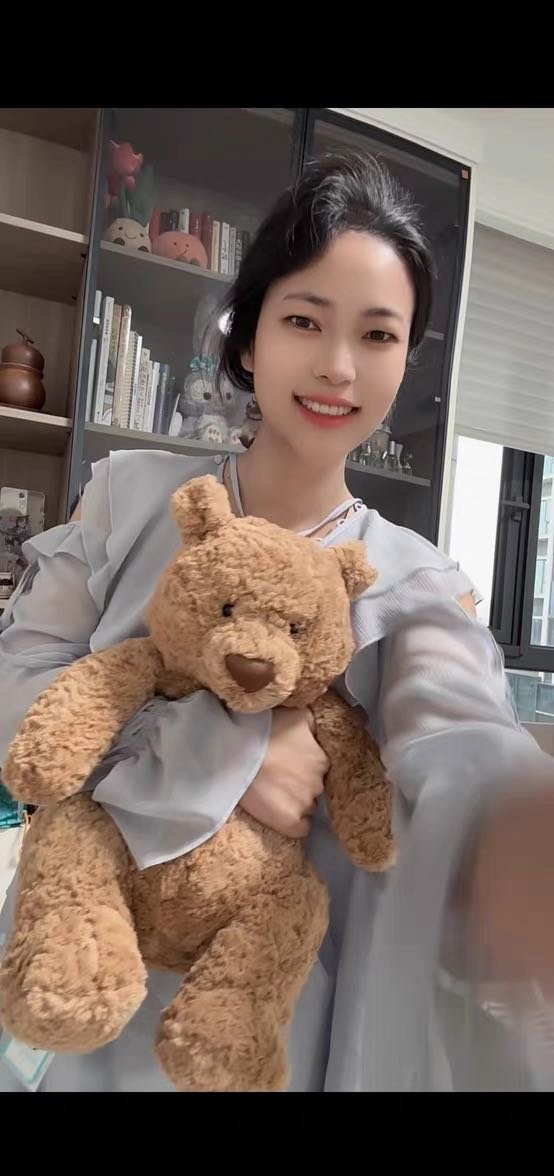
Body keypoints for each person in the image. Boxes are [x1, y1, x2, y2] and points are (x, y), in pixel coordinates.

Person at [1, 151, 554, 1092]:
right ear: (249, 338)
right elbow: (18, 697)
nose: (338, 366)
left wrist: (520, 830)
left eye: (378, 335)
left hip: (267, 1026)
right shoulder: (129, 500)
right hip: (75, 990)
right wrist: (226, 753)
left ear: (404, 362)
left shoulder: (416, 584)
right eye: (304, 320)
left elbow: (461, 749)